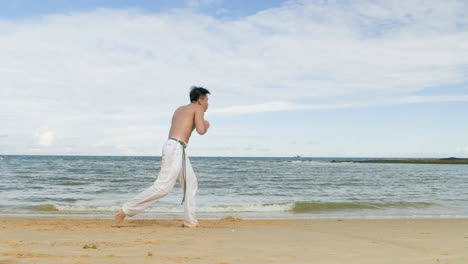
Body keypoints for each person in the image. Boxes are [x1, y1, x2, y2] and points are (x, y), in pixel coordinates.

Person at [114, 86, 210, 228]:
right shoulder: (198, 108)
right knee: (163, 187)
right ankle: (126, 210)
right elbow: (201, 130)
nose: (208, 104)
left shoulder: (179, 109)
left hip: (175, 147)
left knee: (190, 183)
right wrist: (206, 124)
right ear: (200, 100)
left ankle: (190, 221)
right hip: (176, 148)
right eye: (207, 100)